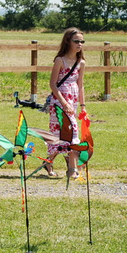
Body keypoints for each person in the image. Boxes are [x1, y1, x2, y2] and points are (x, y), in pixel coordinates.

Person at [45, 27, 86, 179]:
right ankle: (72, 169)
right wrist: (63, 102)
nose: (79, 44)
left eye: (82, 41)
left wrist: (83, 106)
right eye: (76, 41)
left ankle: (49, 162)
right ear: (68, 41)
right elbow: (53, 84)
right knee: (62, 134)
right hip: (59, 102)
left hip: (73, 100)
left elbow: (81, 85)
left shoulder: (81, 63)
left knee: (69, 134)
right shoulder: (60, 60)